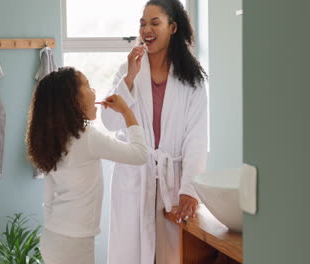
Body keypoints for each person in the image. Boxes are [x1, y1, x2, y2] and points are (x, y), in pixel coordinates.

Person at [100, 0, 208, 263]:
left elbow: (196, 138)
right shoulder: (127, 71)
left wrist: (189, 189)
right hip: (135, 177)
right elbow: (109, 122)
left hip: (173, 181)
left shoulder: (192, 79)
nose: (146, 29)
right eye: (143, 23)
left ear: (173, 27)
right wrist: (128, 79)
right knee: (131, 254)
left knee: (171, 255)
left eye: (155, 22)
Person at [25, 67, 148, 264]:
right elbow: (140, 154)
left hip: (53, 236)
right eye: (88, 87)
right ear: (74, 99)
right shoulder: (88, 138)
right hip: (74, 243)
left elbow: (48, 197)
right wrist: (126, 111)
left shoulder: (54, 139)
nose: (94, 92)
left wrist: (56, 229)